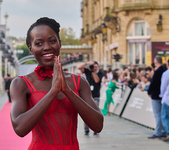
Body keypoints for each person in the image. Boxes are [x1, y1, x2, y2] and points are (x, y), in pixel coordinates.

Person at [10, 17, 103, 150]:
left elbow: (98, 125)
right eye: (39, 43)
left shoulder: (79, 82)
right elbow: (20, 128)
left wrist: (68, 91)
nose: (47, 47)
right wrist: (53, 91)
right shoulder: (21, 83)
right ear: (30, 49)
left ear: (59, 43)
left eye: (52, 41)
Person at [77, 61, 103, 136]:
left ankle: (95, 129)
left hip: (95, 96)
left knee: (95, 113)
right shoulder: (88, 71)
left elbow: (97, 81)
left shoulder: (99, 73)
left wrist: (93, 72)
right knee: (87, 113)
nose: (94, 68)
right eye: (93, 66)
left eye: (95, 67)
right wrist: (87, 63)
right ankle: (86, 130)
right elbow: (79, 67)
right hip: (87, 96)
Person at [147, 56, 166, 139]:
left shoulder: (158, 71)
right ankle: (163, 131)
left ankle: (158, 132)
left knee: (157, 114)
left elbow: (153, 83)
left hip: (156, 95)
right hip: (163, 95)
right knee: (162, 114)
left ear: (155, 62)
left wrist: (149, 91)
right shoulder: (164, 70)